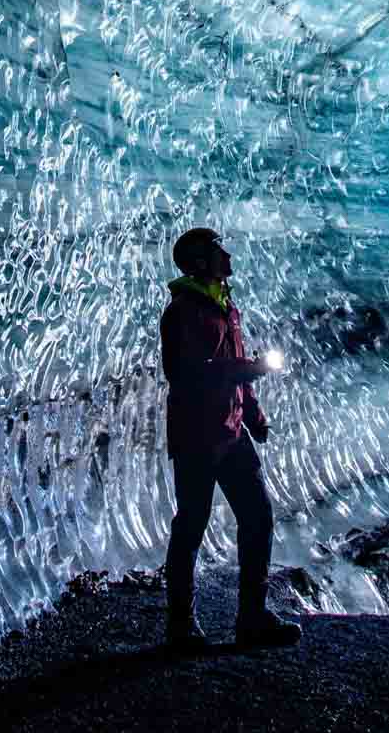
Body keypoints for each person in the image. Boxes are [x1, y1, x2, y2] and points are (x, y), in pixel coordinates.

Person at [159, 227, 302, 651]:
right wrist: (248, 369)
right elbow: (185, 374)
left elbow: (233, 369)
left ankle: (252, 618)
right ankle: (181, 625)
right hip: (197, 434)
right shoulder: (183, 312)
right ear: (200, 261)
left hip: (231, 430)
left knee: (257, 516)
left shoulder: (226, 308)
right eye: (218, 250)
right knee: (191, 526)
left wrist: (253, 414)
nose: (228, 255)